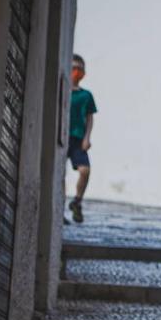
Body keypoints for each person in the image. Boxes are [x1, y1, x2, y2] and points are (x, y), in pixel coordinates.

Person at [68, 54, 97, 224]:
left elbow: (90, 117)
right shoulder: (62, 90)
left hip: (78, 138)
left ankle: (77, 201)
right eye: (73, 68)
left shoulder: (86, 95)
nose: (76, 71)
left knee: (85, 170)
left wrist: (87, 137)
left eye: (80, 68)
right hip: (62, 136)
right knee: (60, 175)